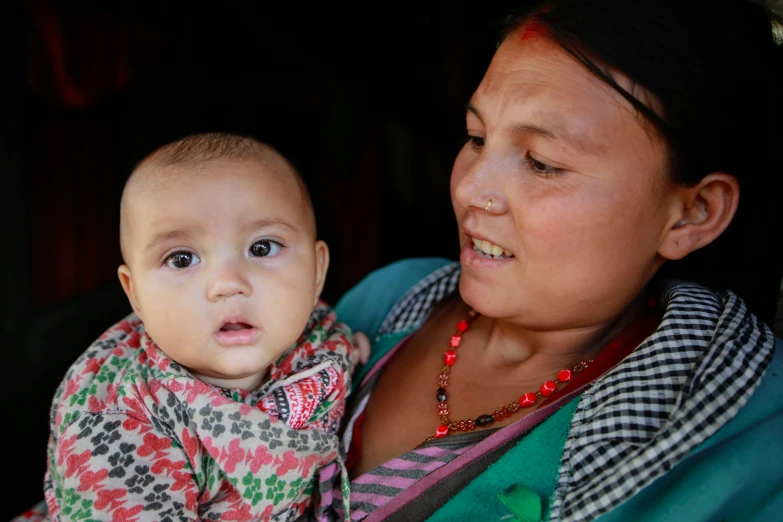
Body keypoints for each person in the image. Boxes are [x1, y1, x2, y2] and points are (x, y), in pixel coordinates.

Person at [312, 1, 783, 520]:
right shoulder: (385, 300)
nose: (471, 187)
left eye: (543, 164)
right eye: (476, 137)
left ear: (691, 214)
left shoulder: (749, 453)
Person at [35, 133, 364, 521]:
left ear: (316, 272)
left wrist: (352, 351)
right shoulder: (118, 424)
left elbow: (331, 347)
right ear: (134, 294)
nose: (228, 283)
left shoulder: (314, 335)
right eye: (181, 258)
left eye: (262, 248)